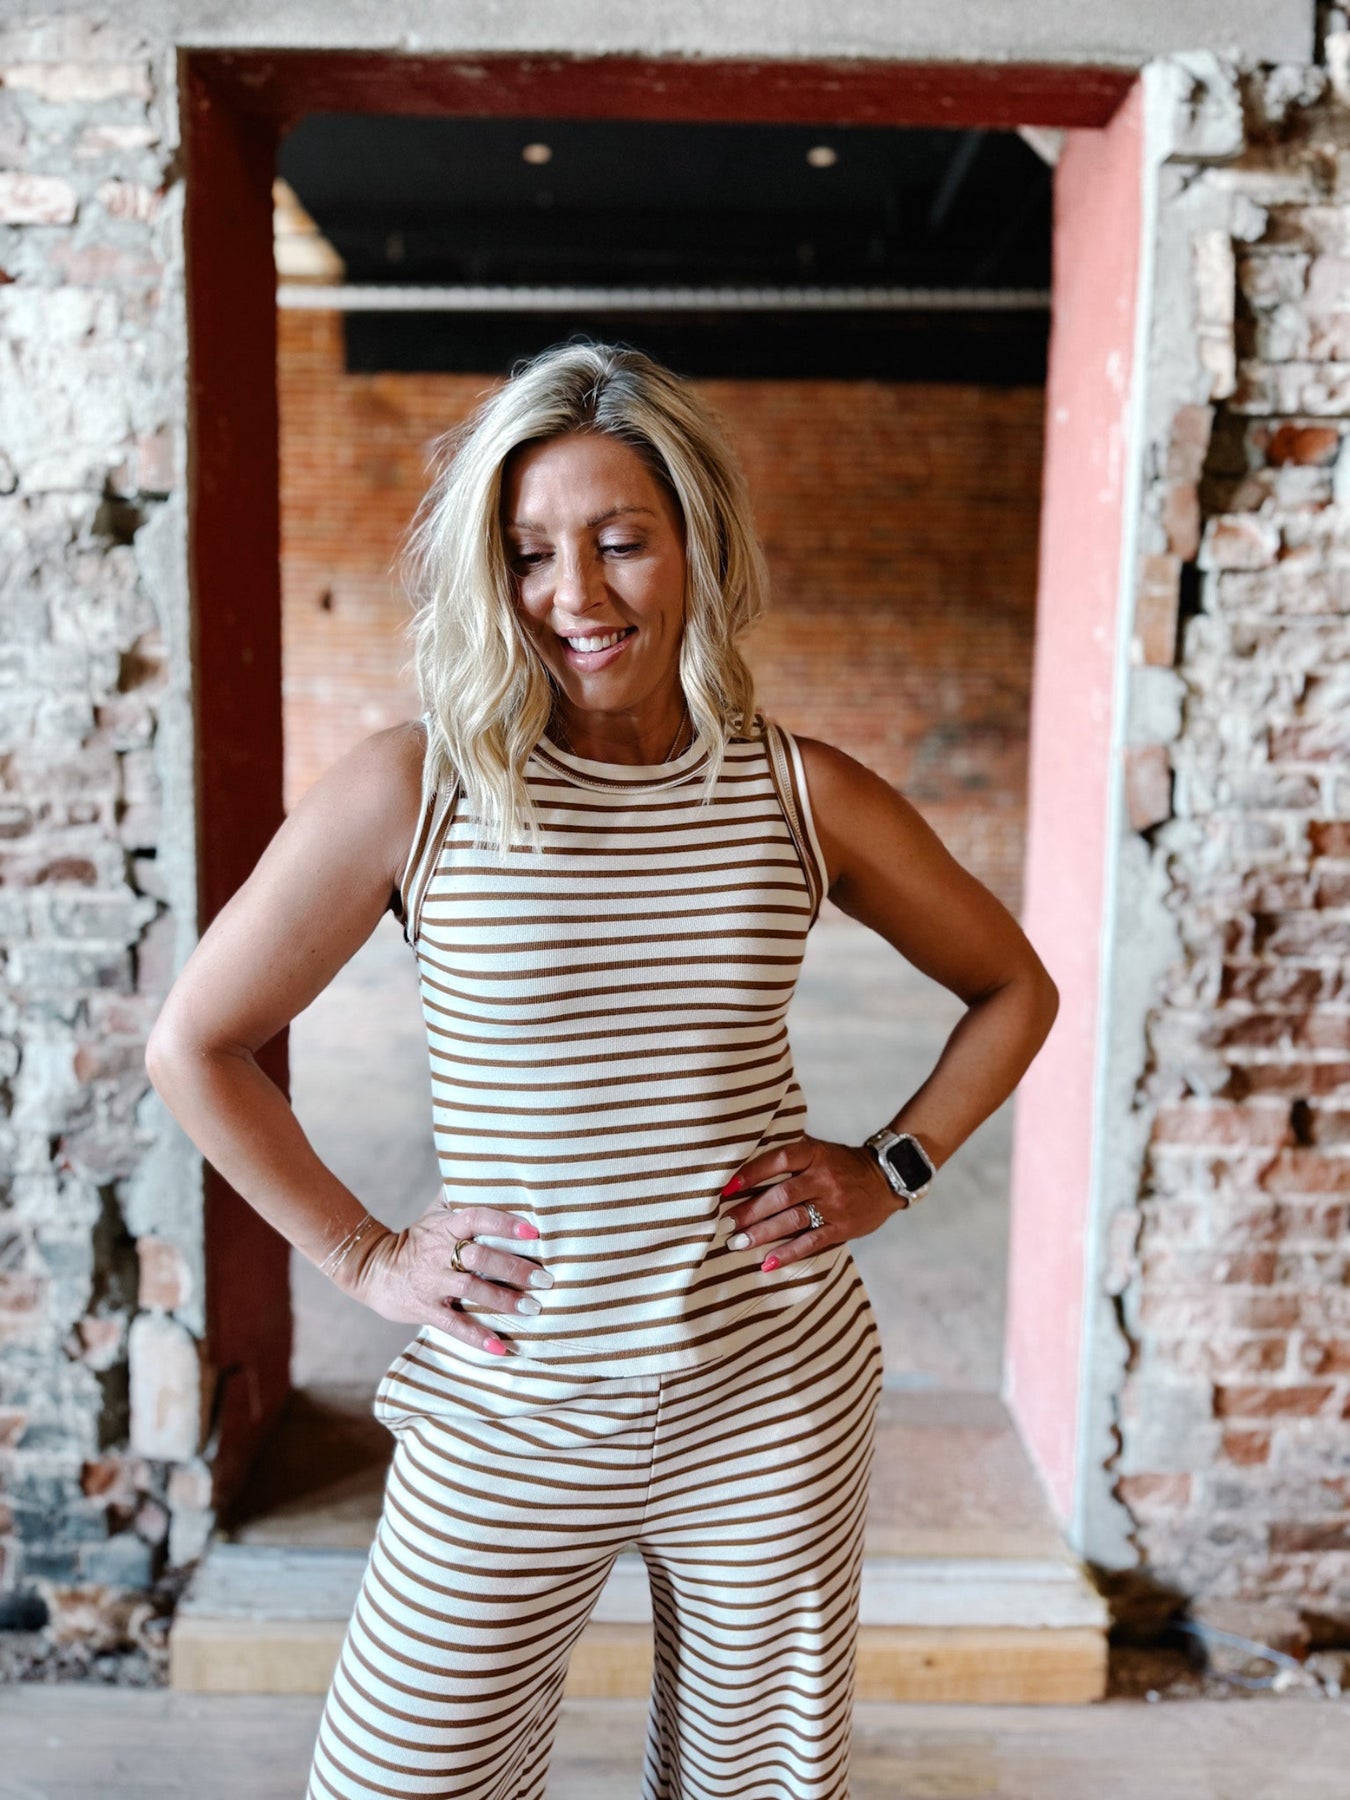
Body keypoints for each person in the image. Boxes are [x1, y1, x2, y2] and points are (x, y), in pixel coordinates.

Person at [146, 338, 1059, 1800]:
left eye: (621, 541)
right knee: (397, 1777)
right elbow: (198, 1045)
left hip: (769, 1392)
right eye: (528, 553)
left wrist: (890, 1167)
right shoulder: (417, 787)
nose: (574, 593)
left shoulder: (798, 792)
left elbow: (1014, 986)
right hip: (509, 1405)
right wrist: (363, 1254)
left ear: (696, 542)